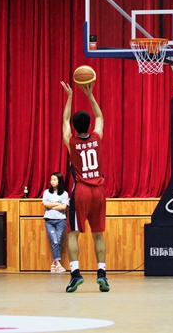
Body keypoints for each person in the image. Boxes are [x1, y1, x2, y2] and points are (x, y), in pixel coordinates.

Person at [60, 80, 109, 293]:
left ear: (74, 127)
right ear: (89, 126)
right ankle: (102, 274)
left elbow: (64, 120)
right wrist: (90, 95)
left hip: (81, 190)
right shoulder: (97, 138)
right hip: (99, 190)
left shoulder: (71, 142)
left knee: (72, 233)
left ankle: (75, 274)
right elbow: (100, 116)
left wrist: (70, 96)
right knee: (98, 234)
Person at [43, 172, 69, 273]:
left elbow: (63, 207)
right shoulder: (46, 192)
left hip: (61, 221)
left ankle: (53, 264)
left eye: (54, 180)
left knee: (57, 242)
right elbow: (45, 204)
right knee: (54, 241)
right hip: (49, 221)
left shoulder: (64, 194)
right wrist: (57, 204)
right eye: (51, 180)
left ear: (59, 181)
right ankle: (58, 264)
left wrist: (52, 205)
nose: (52, 182)